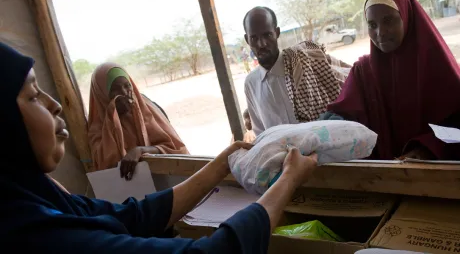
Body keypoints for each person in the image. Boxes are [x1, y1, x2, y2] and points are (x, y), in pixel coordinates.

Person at [0, 41, 319, 252]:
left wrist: (221, 163)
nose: (54, 104)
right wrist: (289, 179)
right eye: (32, 95)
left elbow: (134, 215)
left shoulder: (38, 197)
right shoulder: (30, 232)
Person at [320, 0, 460, 160]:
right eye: (372, 25)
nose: (381, 32)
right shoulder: (363, 72)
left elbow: (455, 124)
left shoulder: (435, 66)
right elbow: (345, 114)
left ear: (407, 18)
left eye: (388, 21)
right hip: (380, 177)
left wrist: (426, 149)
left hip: (433, 174)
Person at [243, 7, 350, 136]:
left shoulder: (305, 63)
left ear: (277, 32)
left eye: (267, 35)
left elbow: (346, 81)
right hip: (282, 155)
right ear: (247, 40)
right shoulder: (251, 83)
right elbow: (261, 133)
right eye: (254, 38)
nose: (261, 44)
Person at [88, 63, 189, 179]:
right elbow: (105, 164)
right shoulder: (97, 126)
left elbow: (176, 149)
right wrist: (113, 118)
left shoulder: (146, 109)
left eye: (127, 86)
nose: (124, 93)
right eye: (115, 89)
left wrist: (140, 150)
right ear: (102, 93)